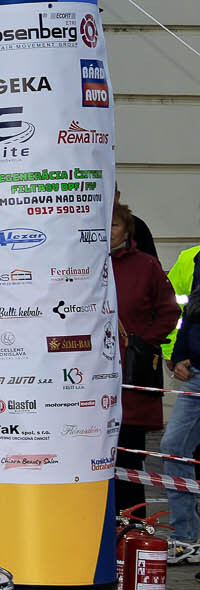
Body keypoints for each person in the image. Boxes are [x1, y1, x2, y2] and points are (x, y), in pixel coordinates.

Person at [110, 204, 179, 518]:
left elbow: (169, 311)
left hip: (132, 379)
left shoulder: (146, 265)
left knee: (128, 461)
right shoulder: (83, 263)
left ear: (127, 230)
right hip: (89, 381)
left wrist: (144, 342)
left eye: (114, 225)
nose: (107, 231)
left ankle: (133, 527)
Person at [160, 285, 200, 561]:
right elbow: (190, 314)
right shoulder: (196, 265)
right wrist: (178, 358)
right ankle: (185, 538)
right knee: (173, 446)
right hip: (195, 375)